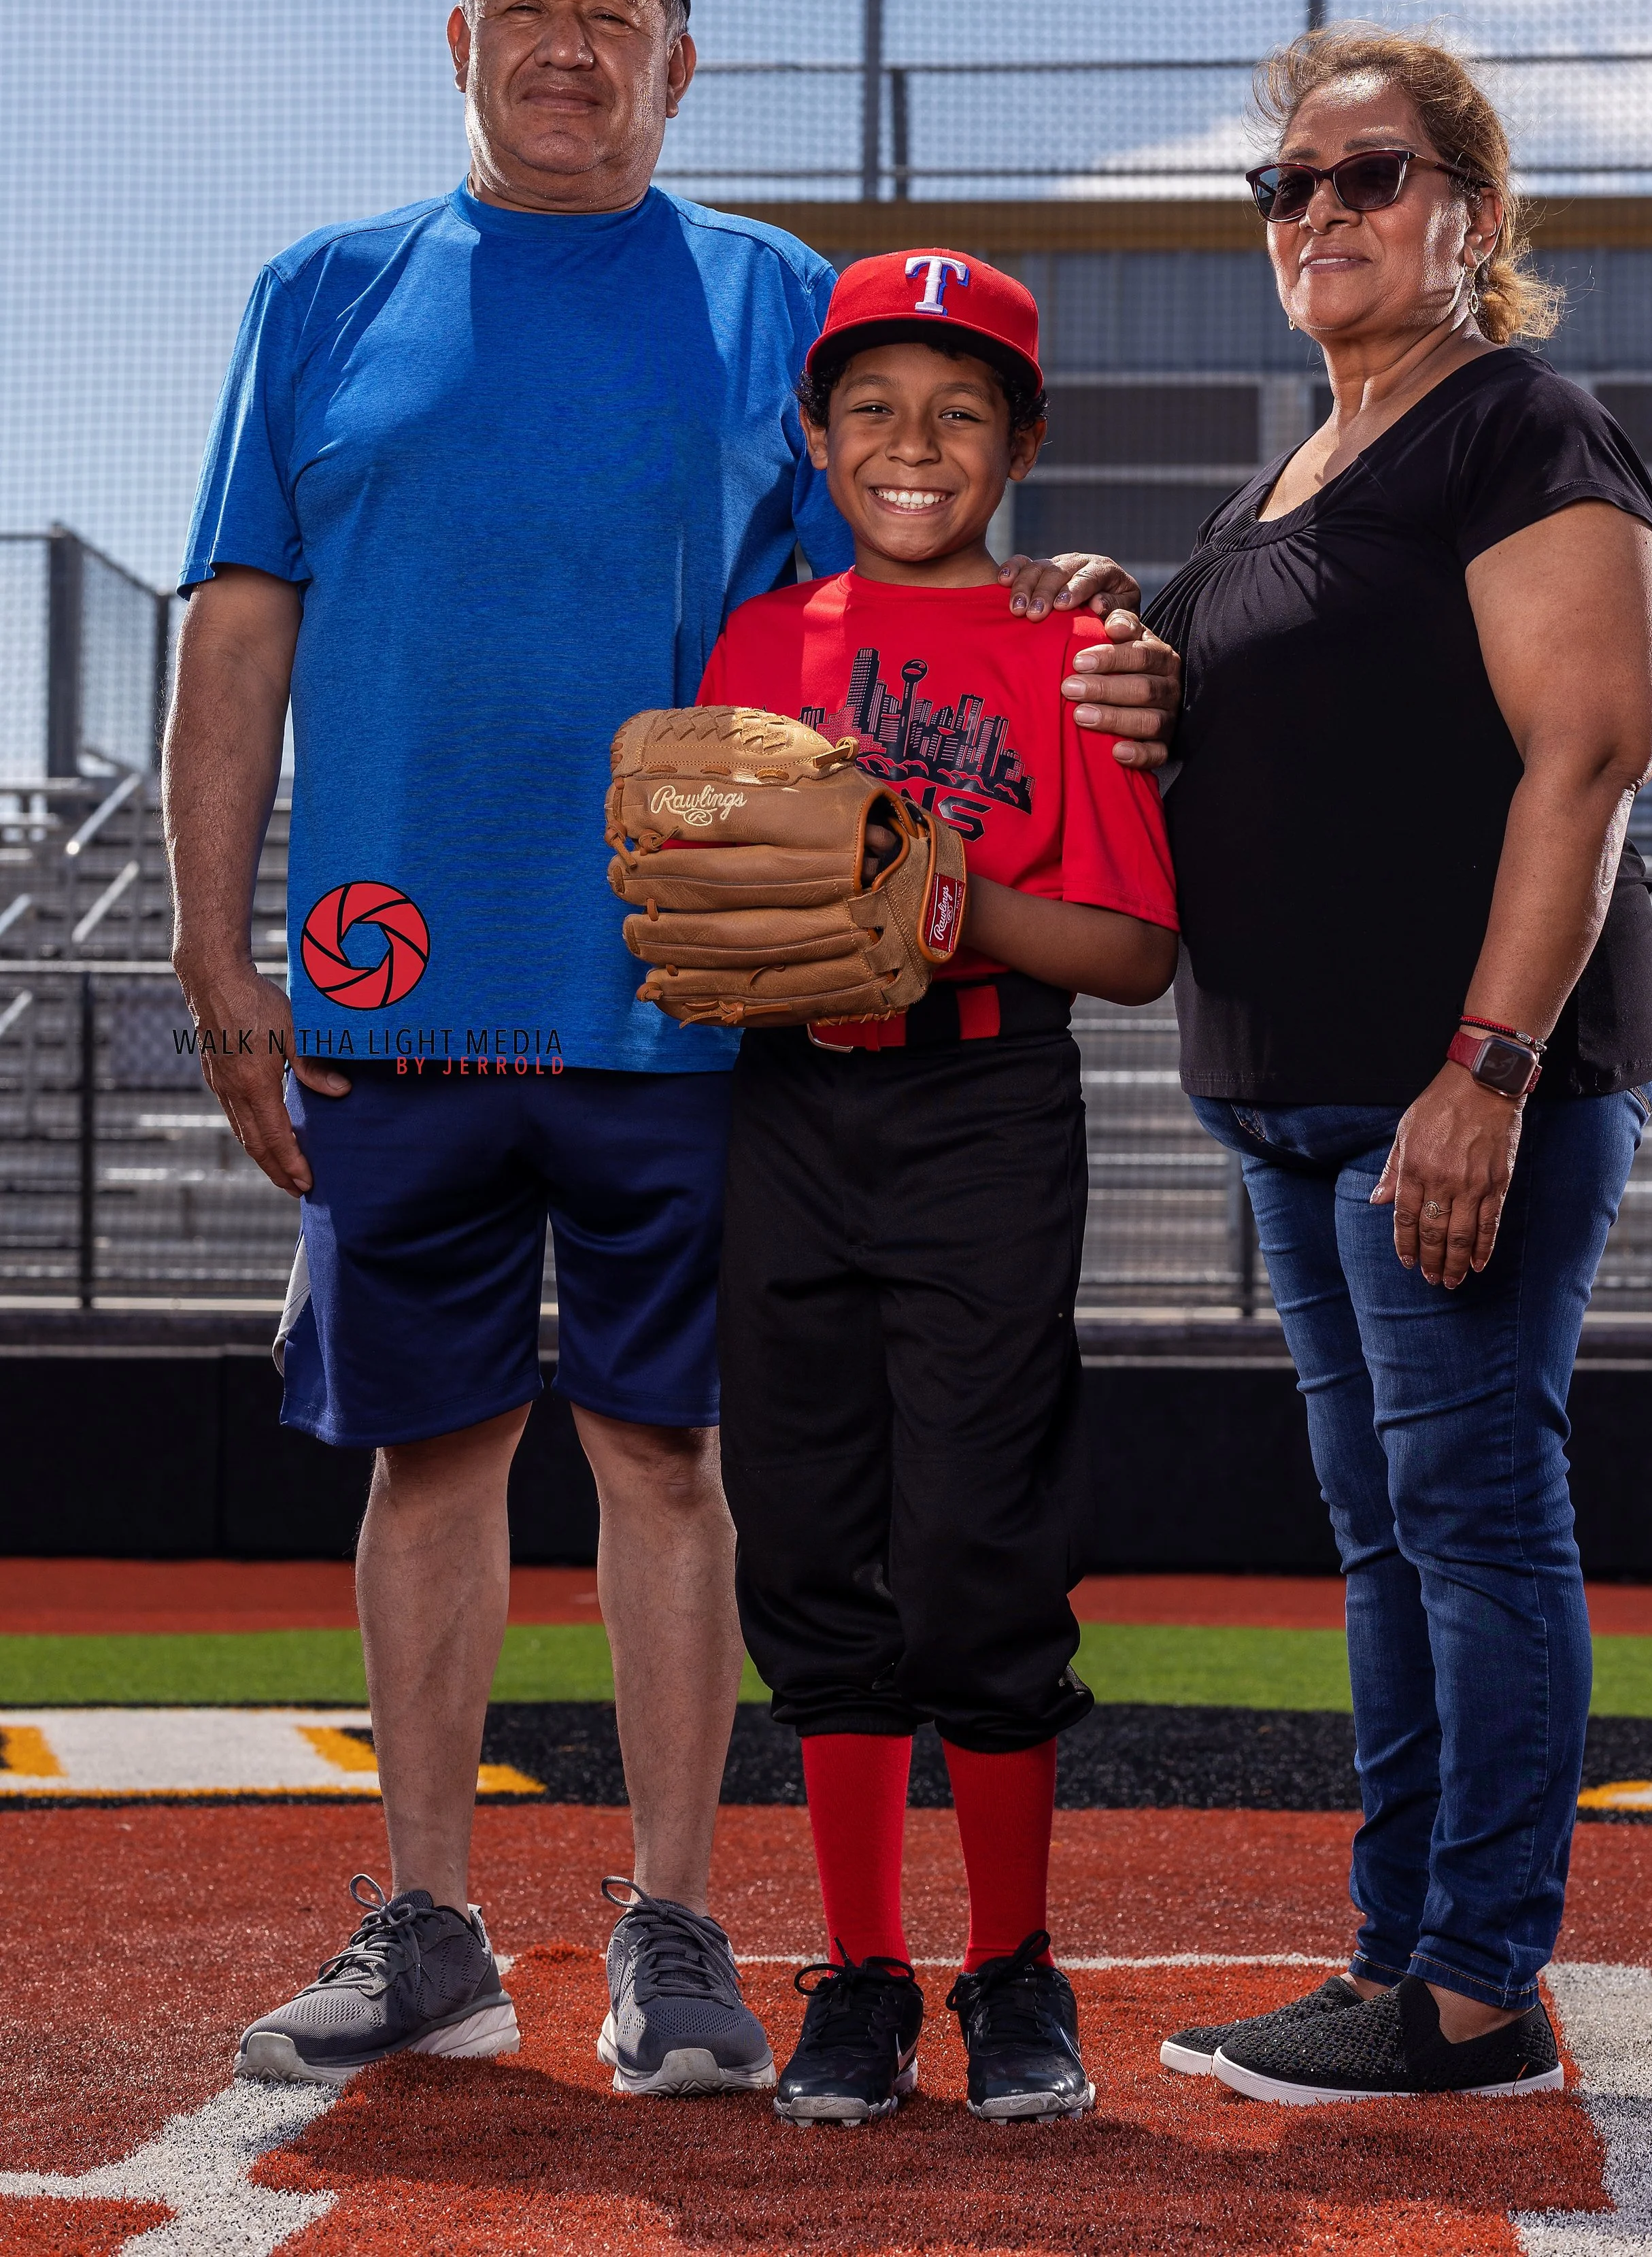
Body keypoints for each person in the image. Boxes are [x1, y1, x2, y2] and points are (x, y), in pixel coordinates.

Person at [161, 0, 1153, 2094]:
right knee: (423, 1460)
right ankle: (428, 1922)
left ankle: (678, 1928)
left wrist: (1067, 618)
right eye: (524, 1)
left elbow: (898, 586)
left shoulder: (770, 298)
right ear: (458, 40)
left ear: (679, 63)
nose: (565, 46)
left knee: (665, 1459)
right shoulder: (323, 290)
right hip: (394, 982)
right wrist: (214, 941)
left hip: (686, 999)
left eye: (611, 13)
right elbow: (240, 622)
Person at [1142, 27, 1652, 2105]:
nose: (1322, 214)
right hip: (1285, 1092)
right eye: (1289, 186)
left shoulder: (1515, 424)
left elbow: (1592, 747)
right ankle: (1399, 1952)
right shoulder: (1282, 476)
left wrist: (1485, 1067)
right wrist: (1118, 619)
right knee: (1388, 1526)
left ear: (1468, 209)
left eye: (1369, 175)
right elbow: (1188, 692)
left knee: (1465, 1511)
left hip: (1447, 1086)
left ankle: (1464, 1986)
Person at [694, 251, 1180, 2125]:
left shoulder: (1077, 653)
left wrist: (939, 902)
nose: (915, 444)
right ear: (816, 437)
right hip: (785, 1104)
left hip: (983, 1101)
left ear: (1023, 440)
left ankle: (1010, 1963)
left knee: (978, 1536)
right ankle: (863, 1970)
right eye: (875, 408)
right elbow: (694, 899)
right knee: (813, 1533)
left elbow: (1132, 949)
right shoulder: (757, 649)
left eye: (960, 408)